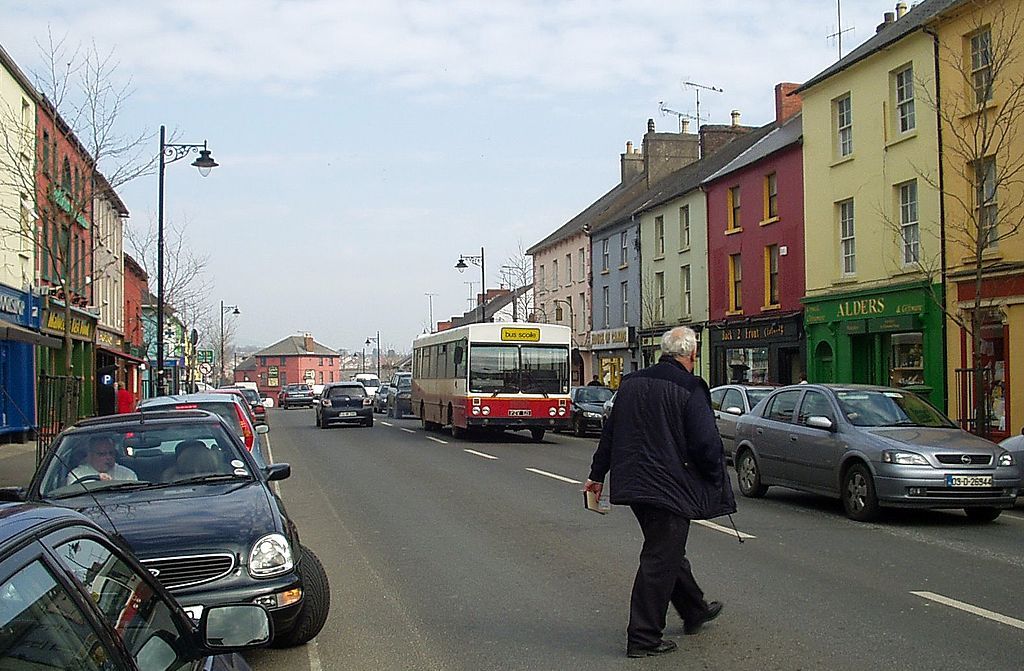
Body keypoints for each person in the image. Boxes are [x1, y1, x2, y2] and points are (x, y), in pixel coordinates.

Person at [584, 326, 735, 658]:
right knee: (660, 558)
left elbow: (609, 433)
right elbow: (706, 442)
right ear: (692, 355)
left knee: (665, 548)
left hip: (634, 484)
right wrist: (714, 477)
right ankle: (643, 637)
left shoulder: (631, 383)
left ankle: (694, 610)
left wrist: (597, 474)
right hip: (669, 485)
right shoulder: (690, 386)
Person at [68, 435, 138, 485]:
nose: (108, 457)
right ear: (90, 456)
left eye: (111, 453)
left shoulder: (127, 475)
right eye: (102, 454)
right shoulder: (76, 476)